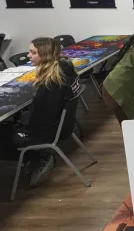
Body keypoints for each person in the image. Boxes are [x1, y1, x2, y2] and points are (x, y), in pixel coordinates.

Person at [0, 37, 80, 187]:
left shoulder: (50, 84)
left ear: (45, 55)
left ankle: (38, 155)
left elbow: (37, 122)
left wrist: (16, 123)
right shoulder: (65, 70)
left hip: (44, 134)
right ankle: (35, 157)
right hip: (63, 127)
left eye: (33, 52)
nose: (29, 55)